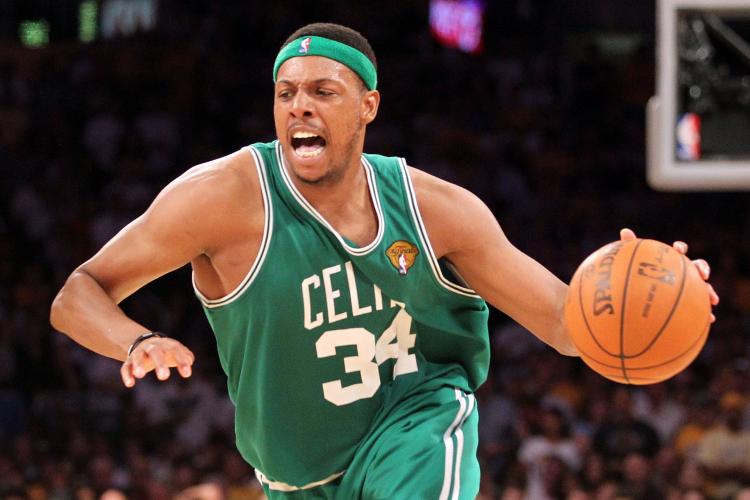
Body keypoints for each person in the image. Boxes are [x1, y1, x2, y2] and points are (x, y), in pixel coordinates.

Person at [49, 22, 718, 499]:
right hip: (291, 475)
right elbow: (77, 294)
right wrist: (135, 340)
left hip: (414, 422)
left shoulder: (437, 210)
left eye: (322, 91)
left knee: (425, 442)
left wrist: (662, 289)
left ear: (368, 106)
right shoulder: (219, 200)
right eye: (286, 93)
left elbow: (568, 326)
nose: (299, 105)